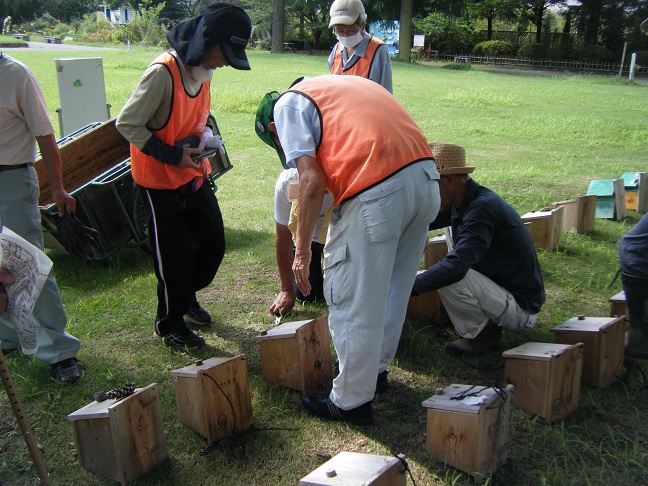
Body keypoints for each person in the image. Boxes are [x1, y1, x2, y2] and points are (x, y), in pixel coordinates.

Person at [255, 75, 440, 424]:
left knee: (350, 295)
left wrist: (303, 253)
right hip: (426, 181)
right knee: (391, 289)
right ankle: (376, 372)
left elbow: (311, 180)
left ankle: (351, 401)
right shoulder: (346, 87)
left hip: (377, 189)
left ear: (274, 130)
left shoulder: (288, 105)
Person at [116, 3, 252, 349]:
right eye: (226, 53)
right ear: (209, 41)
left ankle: (186, 295)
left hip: (192, 174)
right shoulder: (163, 73)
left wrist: (205, 138)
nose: (225, 62)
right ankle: (170, 321)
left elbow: (196, 115)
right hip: (159, 182)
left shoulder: (205, 69)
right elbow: (127, 123)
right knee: (174, 256)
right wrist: (174, 154)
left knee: (212, 243)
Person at [412, 142, 546, 356]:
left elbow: (456, 268)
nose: (429, 192)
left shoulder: (481, 209)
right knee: (450, 243)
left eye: (432, 185)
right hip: (500, 288)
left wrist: (409, 287)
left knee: (454, 275)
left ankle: (482, 335)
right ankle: (480, 319)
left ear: (448, 181)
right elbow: (425, 220)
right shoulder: (463, 200)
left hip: (520, 307)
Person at [0, 51, 84, 383]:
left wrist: (59, 190)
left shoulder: (16, 75)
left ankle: (60, 352)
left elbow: (46, 138)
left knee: (26, 263)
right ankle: (9, 337)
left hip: (11, 178)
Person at [270, 168, 334, 316]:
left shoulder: (343, 178)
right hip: (306, 242)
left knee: (338, 293)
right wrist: (286, 290)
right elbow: (283, 236)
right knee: (307, 294)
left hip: (336, 239)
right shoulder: (286, 183)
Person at [327, 0, 392, 93]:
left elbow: (386, 94)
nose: (345, 35)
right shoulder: (337, 49)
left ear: (363, 25)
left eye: (351, 30)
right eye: (340, 31)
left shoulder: (378, 50)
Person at [619, 213, 648, 359]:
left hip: (635, 258)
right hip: (639, 264)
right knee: (640, 330)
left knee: (639, 325)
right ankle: (632, 354)